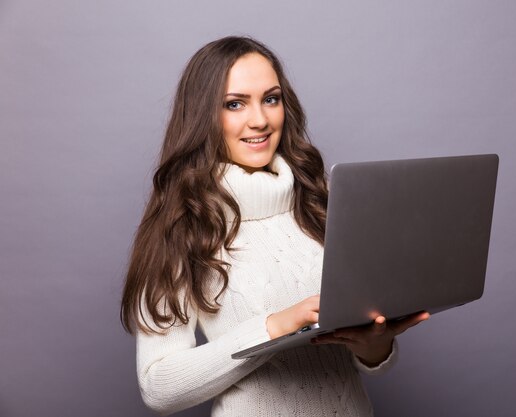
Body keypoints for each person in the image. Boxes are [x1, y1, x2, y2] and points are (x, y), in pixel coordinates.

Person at [120, 36, 430, 416]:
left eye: (271, 98)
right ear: (202, 116)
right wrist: (274, 327)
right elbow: (158, 386)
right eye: (235, 104)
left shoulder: (321, 198)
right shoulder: (182, 226)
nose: (260, 120)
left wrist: (373, 345)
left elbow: (366, 359)